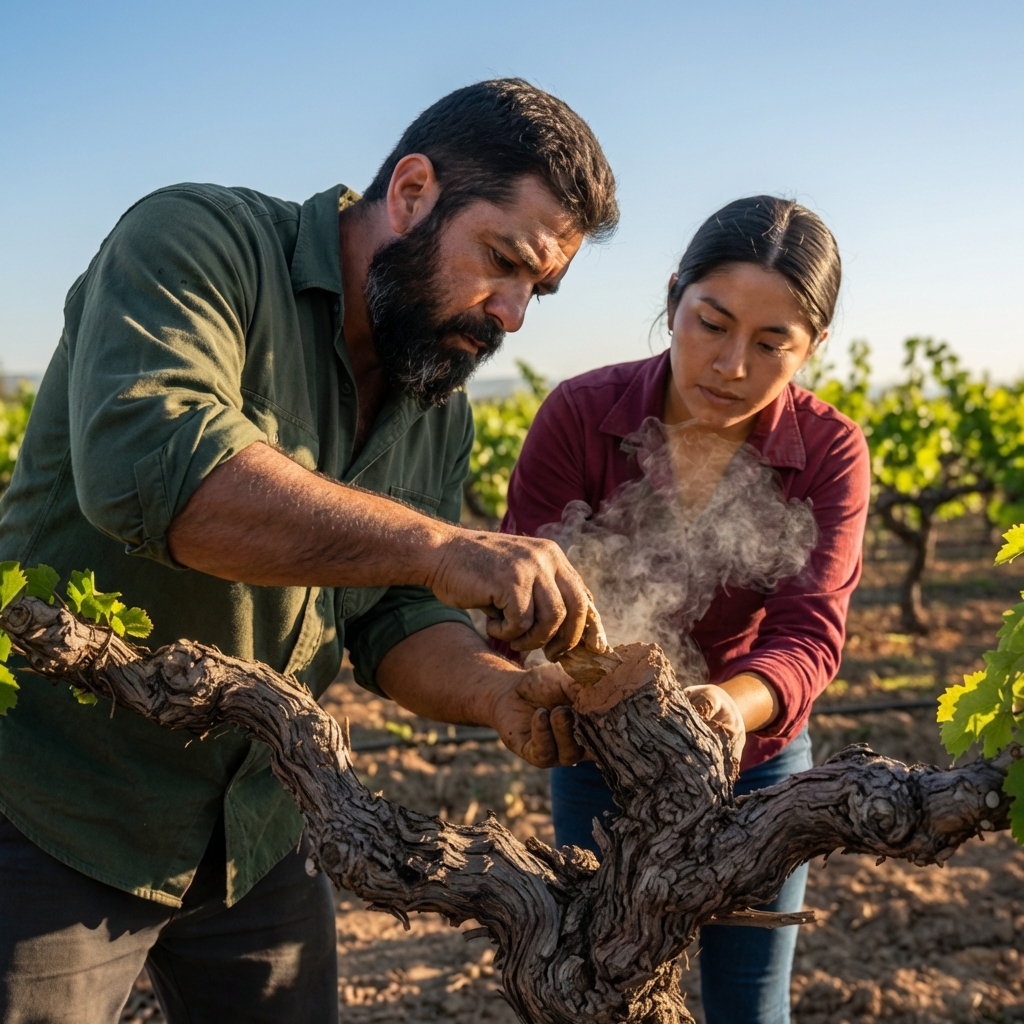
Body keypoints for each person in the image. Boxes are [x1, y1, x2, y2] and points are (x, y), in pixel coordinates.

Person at [0, 79, 617, 1023]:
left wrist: (498, 692)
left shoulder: (432, 400)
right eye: (503, 260)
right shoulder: (196, 242)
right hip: (56, 806)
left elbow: (394, 613)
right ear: (411, 191)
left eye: (540, 287)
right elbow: (150, 469)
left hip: (258, 823)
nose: (514, 313)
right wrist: (442, 545)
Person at [502, 196, 871, 1023]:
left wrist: (723, 711)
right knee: (603, 988)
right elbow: (521, 588)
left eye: (773, 343)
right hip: (601, 757)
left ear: (812, 349)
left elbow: (809, 632)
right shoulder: (578, 416)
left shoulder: (830, 451)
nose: (733, 364)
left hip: (760, 758)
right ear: (673, 299)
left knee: (747, 1002)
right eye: (711, 322)